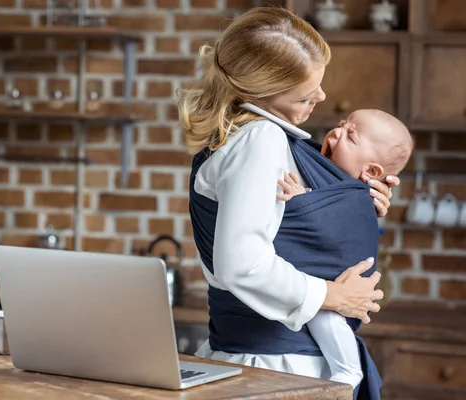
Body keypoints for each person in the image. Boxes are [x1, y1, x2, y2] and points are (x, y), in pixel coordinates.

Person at [177, 7, 400, 400]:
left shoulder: (246, 135)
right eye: (306, 90)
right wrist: (332, 296)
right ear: (263, 88)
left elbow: (288, 223)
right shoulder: (260, 138)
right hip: (279, 367)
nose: (322, 96)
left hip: (256, 360)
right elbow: (242, 263)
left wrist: (348, 205)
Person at [276, 109, 413, 388]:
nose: (336, 132)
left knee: (328, 318)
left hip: (341, 280)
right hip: (319, 286)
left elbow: (333, 220)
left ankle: (349, 370)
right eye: (340, 125)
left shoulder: (356, 195)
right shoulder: (322, 173)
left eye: (350, 136)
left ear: (372, 172)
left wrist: (304, 203)